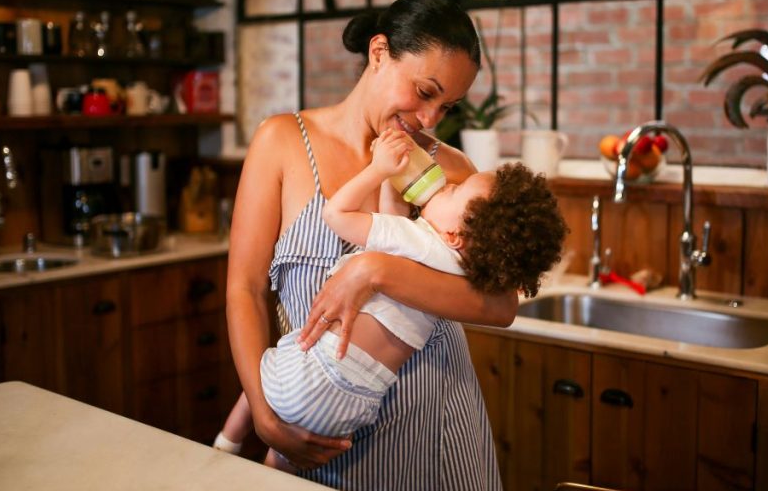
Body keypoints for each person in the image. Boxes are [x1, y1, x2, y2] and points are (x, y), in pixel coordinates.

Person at [224, 0, 535, 491]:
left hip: (437, 418)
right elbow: (244, 290)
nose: (429, 118)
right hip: (328, 422)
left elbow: (502, 304)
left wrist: (378, 271)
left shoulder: (447, 167)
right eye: (425, 92)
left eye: (446, 107)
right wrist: (266, 416)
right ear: (379, 53)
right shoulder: (282, 142)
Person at [214, 129, 567, 473]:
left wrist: (378, 170)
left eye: (454, 190)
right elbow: (392, 220)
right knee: (285, 460)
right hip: (350, 408)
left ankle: (228, 440)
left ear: (454, 234)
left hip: (311, 372)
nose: (446, 185)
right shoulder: (467, 269)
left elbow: (336, 215)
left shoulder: (415, 238)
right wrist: (397, 179)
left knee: (273, 365)